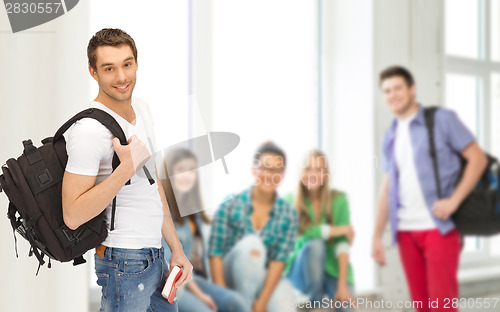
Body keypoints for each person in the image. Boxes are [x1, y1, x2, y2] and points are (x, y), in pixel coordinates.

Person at [61, 28, 193, 312]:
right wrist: (124, 170)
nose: (121, 77)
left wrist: (176, 249)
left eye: (127, 64)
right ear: (93, 72)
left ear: (136, 63)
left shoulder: (143, 110)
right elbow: (72, 215)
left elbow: (152, 186)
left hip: (156, 255)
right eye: (109, 68)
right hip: (122, 261)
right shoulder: (89, 131)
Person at [372, 66, 488, 312]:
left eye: (398, 88)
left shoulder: (442, 119)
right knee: (422, 307)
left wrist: (454, 201)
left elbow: (478, 159)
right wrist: (376, 235)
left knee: (442, 307)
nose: (392, 95)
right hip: (405, 231)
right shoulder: (390, 135)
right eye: (387, 91)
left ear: (412, 89)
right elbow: (387, 188)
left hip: (439, 228)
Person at [208, 141, 299, 312]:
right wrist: (223, 298)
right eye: (265, 168)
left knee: (285, 306)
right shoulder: (230, 204)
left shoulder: (289, 214)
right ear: (254, 170)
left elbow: (278, 260)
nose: (269, 175)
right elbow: (215, 253)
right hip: (230, 277)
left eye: (276, 170)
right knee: (252, 245)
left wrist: (263, 301)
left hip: (264, 280)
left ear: (282, 175)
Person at [160, 148, 247, 312]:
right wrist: (201, 296)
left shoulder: (193, 211)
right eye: (180, 170)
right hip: (174, 283)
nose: (187, 176)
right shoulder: (164, 213)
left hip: (192, 279)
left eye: (191, 170)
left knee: (235, 302)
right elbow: (171, 265)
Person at [284, 149, 355, 311]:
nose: (313, 174)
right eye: (308, 168)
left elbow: (342, 244)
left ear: (325, 174)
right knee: (315, 244)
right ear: (301, 173)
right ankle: (317, 305)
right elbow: (304, 231)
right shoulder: (290, 200)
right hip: (300, 272)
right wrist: (338, 230)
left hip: (331, 270)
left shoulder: (339, 200)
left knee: (347, 307)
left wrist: (342, 285)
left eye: (318, 169)